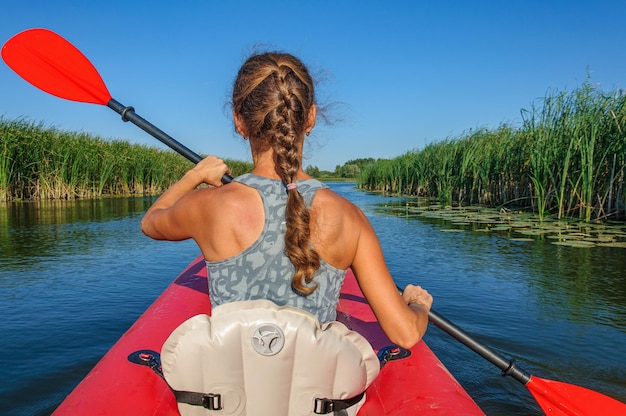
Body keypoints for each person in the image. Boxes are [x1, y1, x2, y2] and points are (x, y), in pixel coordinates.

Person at [141, 52, 432, 349]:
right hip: (317, 393)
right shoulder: (349, 216)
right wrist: (418, 305)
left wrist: (195, 176)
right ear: (311, 117)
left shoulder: (207, 206)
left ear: (239, 121)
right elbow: (405, 333)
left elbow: (151, 222)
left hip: (227, 392)